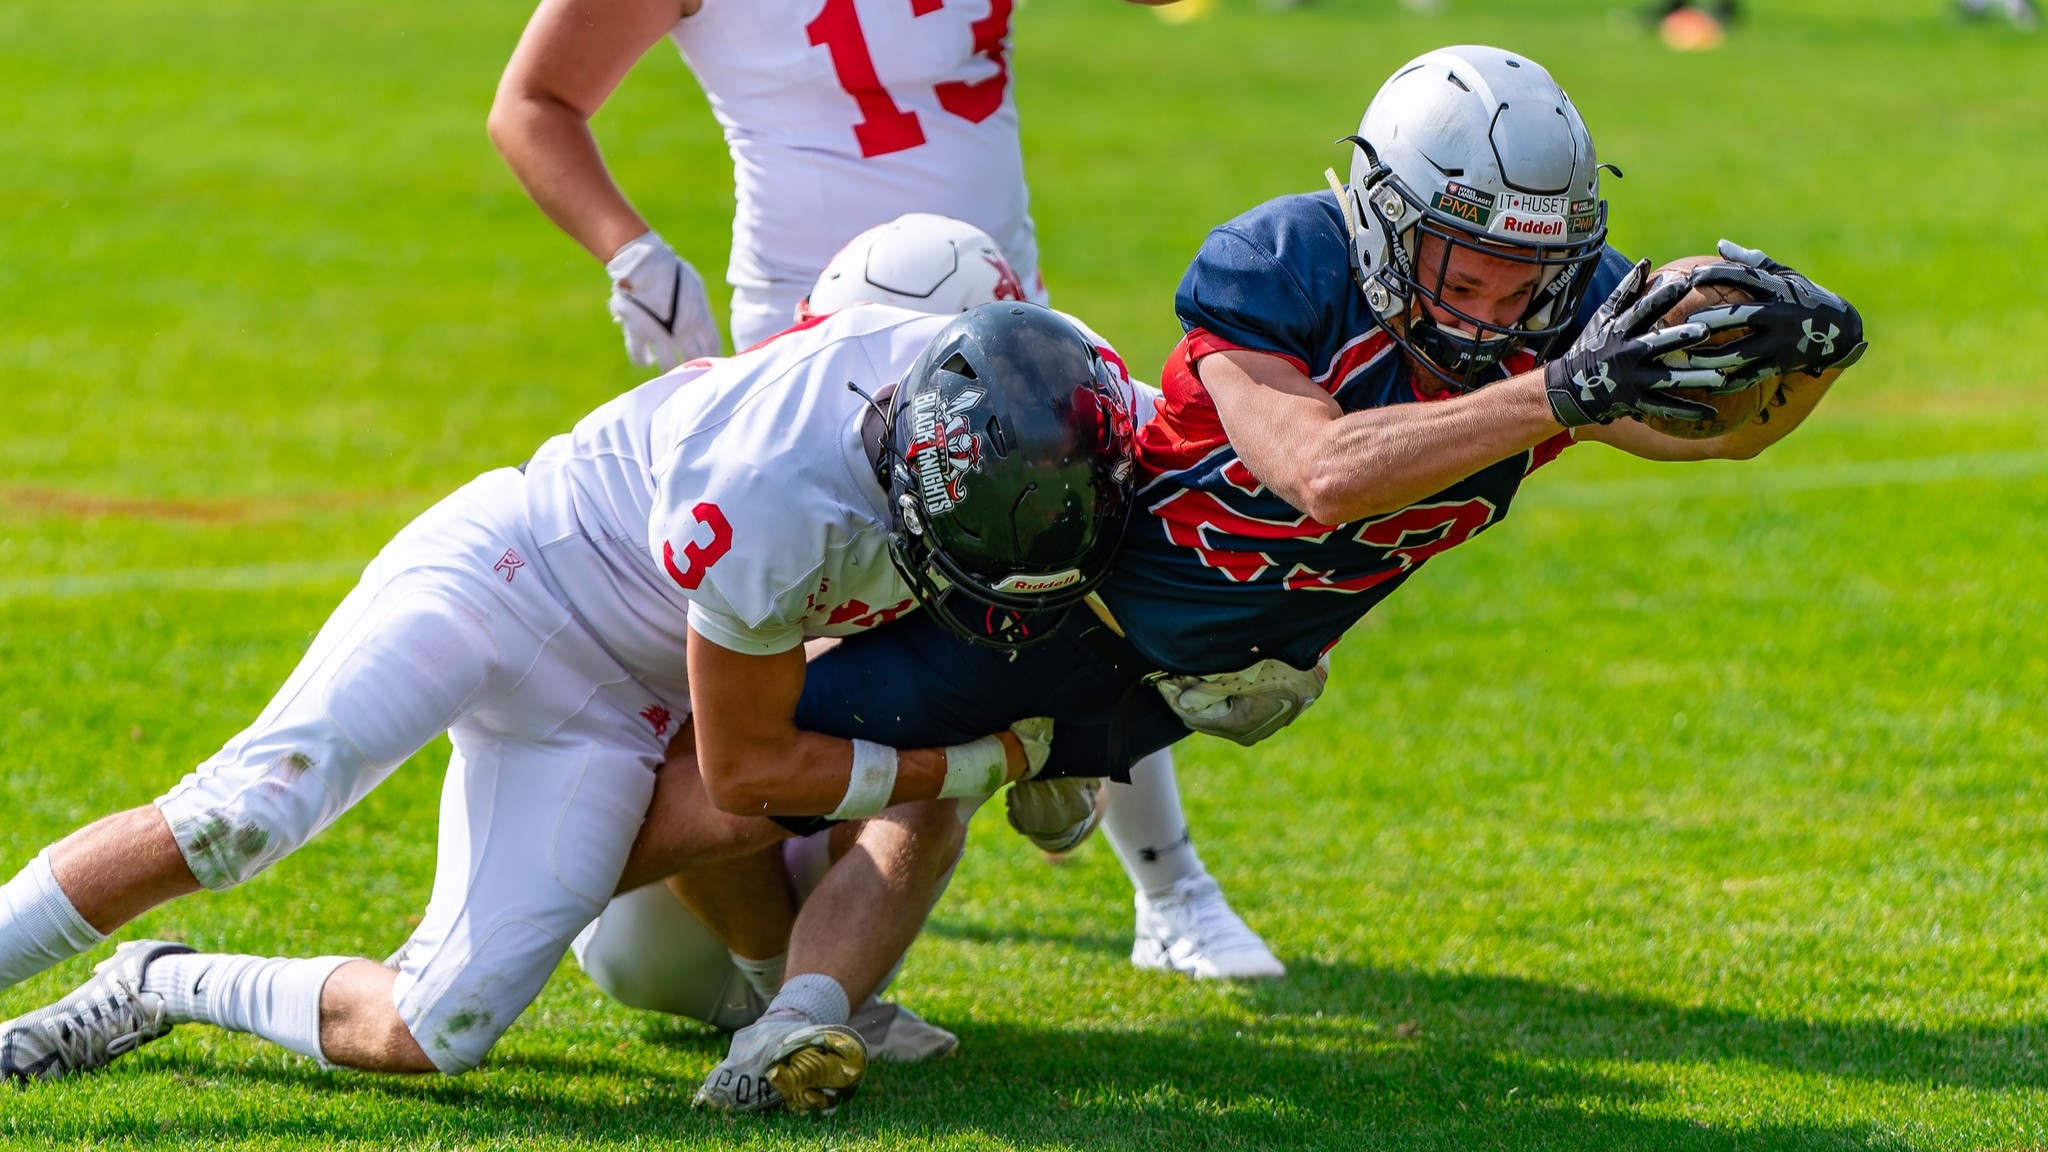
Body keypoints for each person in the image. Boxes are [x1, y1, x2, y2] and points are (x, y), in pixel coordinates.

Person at [646, 42, 1868, 1111]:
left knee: (933, 800)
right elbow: (1320, 473)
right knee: (730, 785)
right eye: (1461, 264)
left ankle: (801, 1015)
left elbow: (1724, 427)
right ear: (1386, 219)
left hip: (1197, 681)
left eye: (1522, 275)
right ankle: (527, 920)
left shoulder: (1563, 324)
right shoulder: (1283, 261)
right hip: (1053, 603)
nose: (1497, 304)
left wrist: (1807, 354)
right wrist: (1558, 391)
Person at [0, 302, 1134, 1114]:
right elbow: (743, 771)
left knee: (438, 1028)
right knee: (242, 813)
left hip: (610, 712)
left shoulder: (1063, 396)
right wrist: (979, 763)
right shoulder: (767, 491)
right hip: (509, 578)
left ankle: (160, 982)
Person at [489, 0, 1278, 989]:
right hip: (809, 356)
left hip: (1005, 338)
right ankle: (630, 918)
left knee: (1082, 560)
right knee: (770, 698)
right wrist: (630, 252)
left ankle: (1165, 885)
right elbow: (534, 100)